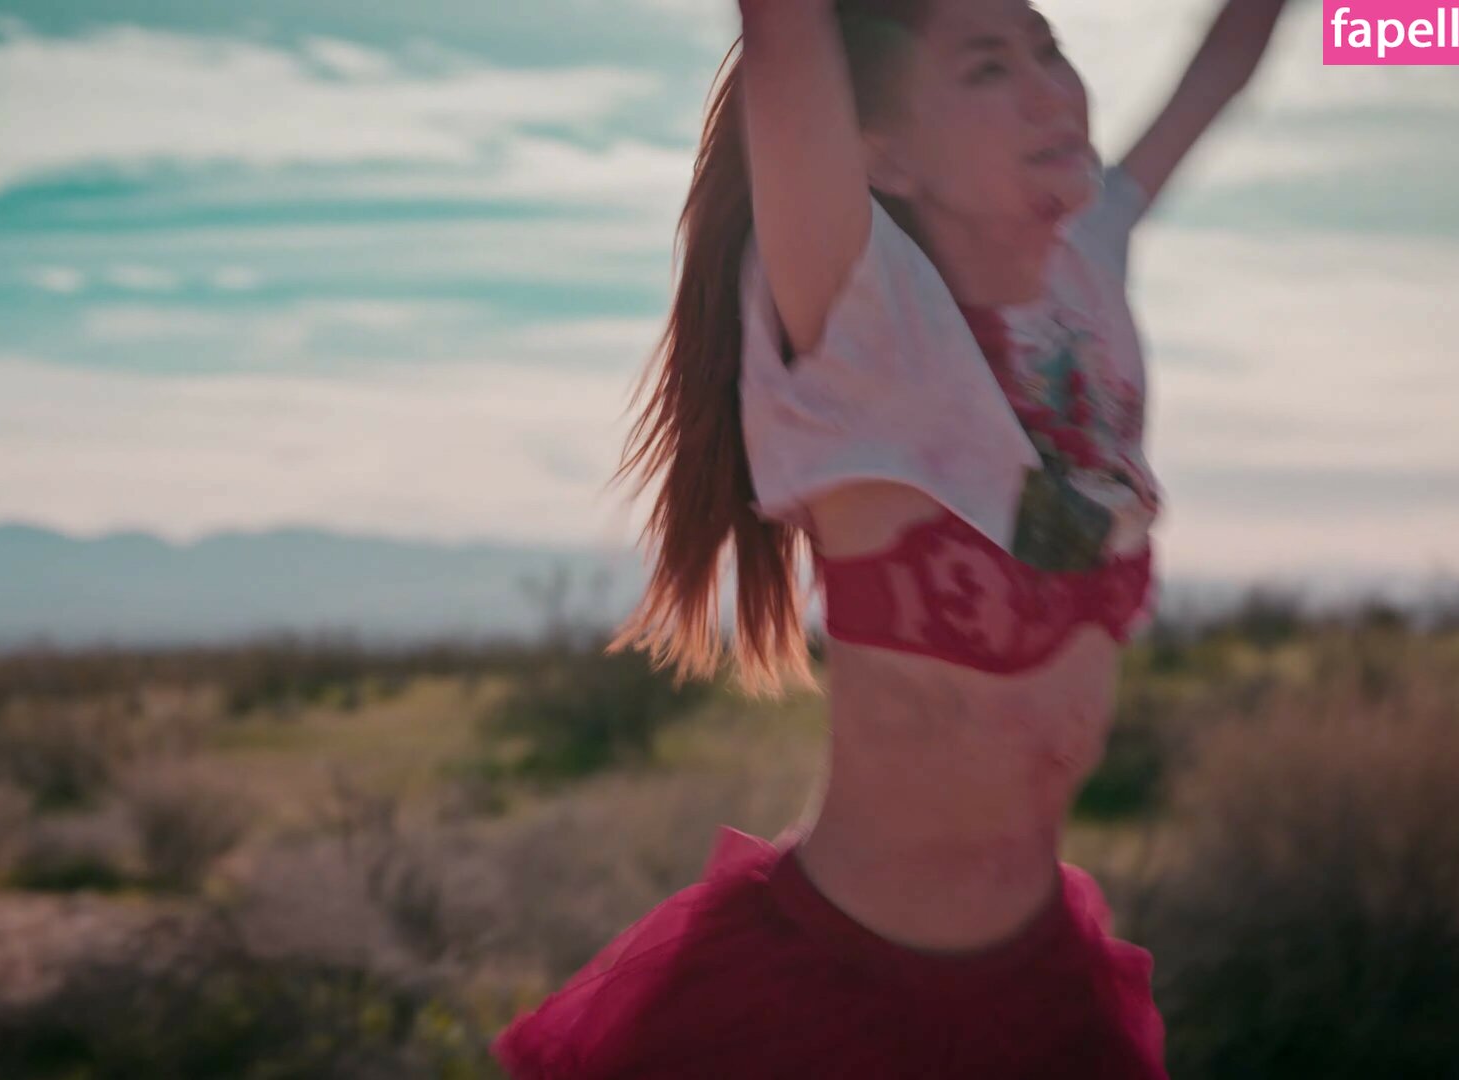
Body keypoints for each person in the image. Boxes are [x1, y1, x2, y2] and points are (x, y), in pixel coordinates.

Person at [494, 0, 1291, 1075]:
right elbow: (785, 32)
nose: (1049, 89)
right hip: (825, 1001)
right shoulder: (856, 309)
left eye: (1049, 49)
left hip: (1043, 995)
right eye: (988, 68)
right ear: (885, 153)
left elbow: (1231, 52)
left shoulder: (1086, 272)